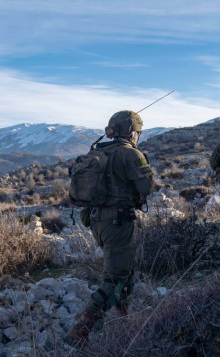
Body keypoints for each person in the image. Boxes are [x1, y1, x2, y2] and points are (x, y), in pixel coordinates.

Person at [68, 111, 158, 344]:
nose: (138, 136)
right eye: (138, 132)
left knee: (123, 271)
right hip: (117, 222)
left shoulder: (97, 152)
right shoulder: (130, 154)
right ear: (132, 132)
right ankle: (82, 328)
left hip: (97, 221)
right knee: (116, 278)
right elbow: (147, 187)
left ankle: (123, 321)